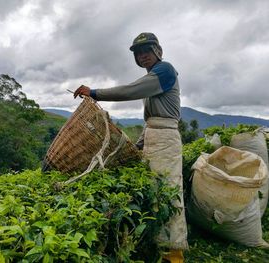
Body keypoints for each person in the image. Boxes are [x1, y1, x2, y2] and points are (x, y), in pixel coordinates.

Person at [74, 32, 188, 262]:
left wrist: (95, 92)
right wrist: (140, 143)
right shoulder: (152, 79)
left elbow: (129, 90)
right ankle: (158, 243)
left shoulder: (165, 70)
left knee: (169, 191)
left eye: (147, 51)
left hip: (166, 141)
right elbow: (152, 120)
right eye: (138, 53)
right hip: (155, 137)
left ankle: (174, 252)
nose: (143, 56)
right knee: (156, 191)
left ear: (157, 51)